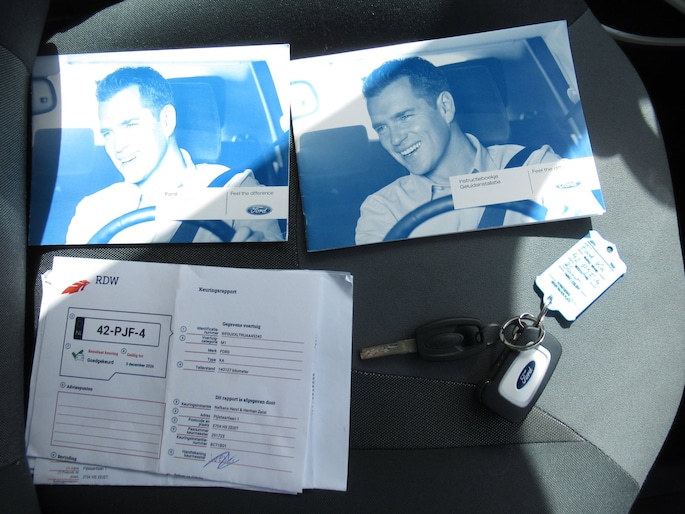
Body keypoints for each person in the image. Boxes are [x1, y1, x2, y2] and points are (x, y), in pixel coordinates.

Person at [355, 57, 562, 245]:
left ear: (445, 107)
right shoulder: (383, 210)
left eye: (404, 117)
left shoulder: (532, 166)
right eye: (381, 128)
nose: (395, 139)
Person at [66, 66, 284, 243]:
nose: (117, 146)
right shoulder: (91, 209)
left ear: (167, 120)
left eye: (130, 124)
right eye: (107, 133)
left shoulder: (237, 187)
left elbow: (275, 272)